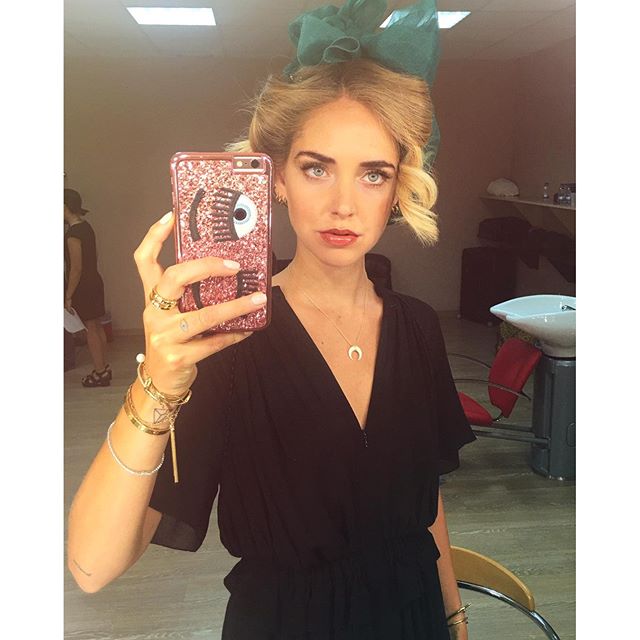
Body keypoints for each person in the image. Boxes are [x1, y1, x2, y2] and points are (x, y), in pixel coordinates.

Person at [67, 1, 475, 638]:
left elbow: (427, 501)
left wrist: (454, 614)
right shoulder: (228, 337)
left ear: (398, 187)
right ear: (275, 177)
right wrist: (157, 385)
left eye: (373, 174)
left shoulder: (418, 327)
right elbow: (92, 567)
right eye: (316, 168)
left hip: (415, 616)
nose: (343, 204)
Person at [64, 188, 112, 386]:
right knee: (97, 326)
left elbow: (76, 268)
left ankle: (100, 373)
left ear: (65, 207)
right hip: (95, 280)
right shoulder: (86, 227)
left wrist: (68, 295)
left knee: (91, 329)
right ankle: (103, 367)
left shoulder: (73, 234)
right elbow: (94, 256)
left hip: (83, 286)